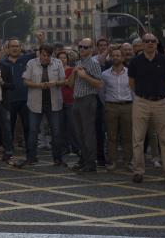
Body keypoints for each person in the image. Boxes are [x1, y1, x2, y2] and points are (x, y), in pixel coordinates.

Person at [128, 33, 165, 184]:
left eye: (153, 41)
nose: (150, 43)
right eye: (146, 41)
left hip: (161, 102)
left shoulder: (164, 60)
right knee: (138, 139)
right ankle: (138, 172)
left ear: (156, 43)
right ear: (142, 44)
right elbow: (132, 83)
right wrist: (142, 96)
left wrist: (160, 94)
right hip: (141, 102)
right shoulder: (135, 61)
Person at [23, 44, 67, 166]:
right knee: (33, 131)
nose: (46, 57)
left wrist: (55, 83)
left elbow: (64, 81)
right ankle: (31, 157)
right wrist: (39, 85)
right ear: (40, 53)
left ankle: (57, 158)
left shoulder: (58, 63)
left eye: (48, 55)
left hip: (54, 103)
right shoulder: (31, 63)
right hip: (35, 103)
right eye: (43, 55)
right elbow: (25, 81)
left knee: (56, 132)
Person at [68, 38, 103, 173]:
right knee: (79, 133)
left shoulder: (94, 63)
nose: (82, 49)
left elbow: (99, 84)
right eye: (81, 47)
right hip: (76, 99)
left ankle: (91, 163)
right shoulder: (78, 62)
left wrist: (84, 76)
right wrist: (74, 72)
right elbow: (70, 84)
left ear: (92, 49)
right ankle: (83, 160)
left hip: (88, 100)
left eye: (86, 47)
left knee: (88, 133)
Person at [101, 48, 133, 171]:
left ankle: (128, 162)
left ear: (123, 58)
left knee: (127, 136)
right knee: (111, 136)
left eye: (118, 55)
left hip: (127, 106)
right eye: (113, 55)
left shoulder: (130, 73)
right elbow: (101, 92)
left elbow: (133, 90)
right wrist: (107, 104)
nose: (115, 57)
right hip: (111, 106)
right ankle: (112, 161)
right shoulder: (105, 75)